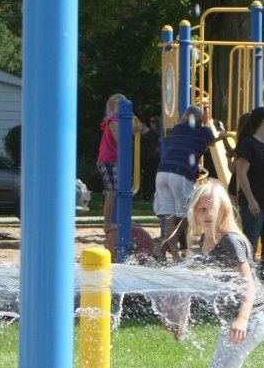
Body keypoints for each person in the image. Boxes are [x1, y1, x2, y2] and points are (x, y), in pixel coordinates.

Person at [171, 179, 264, 368]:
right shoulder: (206, 242)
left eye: (211, 208)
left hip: (250, 319)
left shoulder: (230, 240)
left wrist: (241, 318)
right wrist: (179, 320)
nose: (206, 214)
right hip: (236, 321)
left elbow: (249, 284)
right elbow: (192, 286)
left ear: (223, 209)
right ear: (194, 212)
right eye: (201, 209)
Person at [154, 105, 223, 261]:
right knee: (187, 214)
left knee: (169, 217)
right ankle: (166, 246)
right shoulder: (204, 132)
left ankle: (172, 254)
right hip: (181, 173)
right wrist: (218, 129)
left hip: (163, 171)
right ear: (201, 119)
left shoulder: (177, 129)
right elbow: (213, 142)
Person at [235, 107, 264, 281]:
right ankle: (248, 278)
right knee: (251, 243)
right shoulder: (249, 144)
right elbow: (241, 173)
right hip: (255, 203)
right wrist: (251, 200)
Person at [96, 93, 147, 235]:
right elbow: (120, 139)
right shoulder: (113, 121)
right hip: (108, 160)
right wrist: (133, 130)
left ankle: (122, 219)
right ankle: (108, 224)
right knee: (112, 192)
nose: (125, 111)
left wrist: (134, 129)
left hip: (113, 160)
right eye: (121, 107)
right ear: (113, 108)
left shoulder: (117, 121)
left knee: (120, 191)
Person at [140, 116, 162, 201]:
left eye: (152, 122)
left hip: (152, 158)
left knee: (149, 177)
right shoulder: (158, 132)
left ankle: (148, 195)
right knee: (151, 177)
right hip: (154, 158)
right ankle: (150, 195)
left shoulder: (154, 133)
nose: (150, 124)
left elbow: (146, 139)